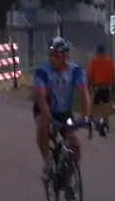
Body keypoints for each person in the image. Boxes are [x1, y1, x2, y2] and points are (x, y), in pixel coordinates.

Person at [32, 37, 91, 183]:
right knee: (43, 125)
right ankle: (47, 163)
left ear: (65, 57)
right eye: (51, 55)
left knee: (75, 146)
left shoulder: (75, 71)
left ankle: (66, 178)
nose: (52, 59)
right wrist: (48, 117)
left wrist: (85, 117)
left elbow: (84, 93)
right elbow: (40, 96)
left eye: (56, 56)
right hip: (44, 108)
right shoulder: (42, 71)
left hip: (64, 112)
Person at [85, 43, 115, 136]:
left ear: (97, 52)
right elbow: (112, 76)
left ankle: (98, 122)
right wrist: (113, 88)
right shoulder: (109, 61)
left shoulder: (94, 61)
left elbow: (90, 76)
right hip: (106, 87)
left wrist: (88, 87)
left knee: (95, 106)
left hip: (97, 87)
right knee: (106, 106)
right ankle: (106, 123)